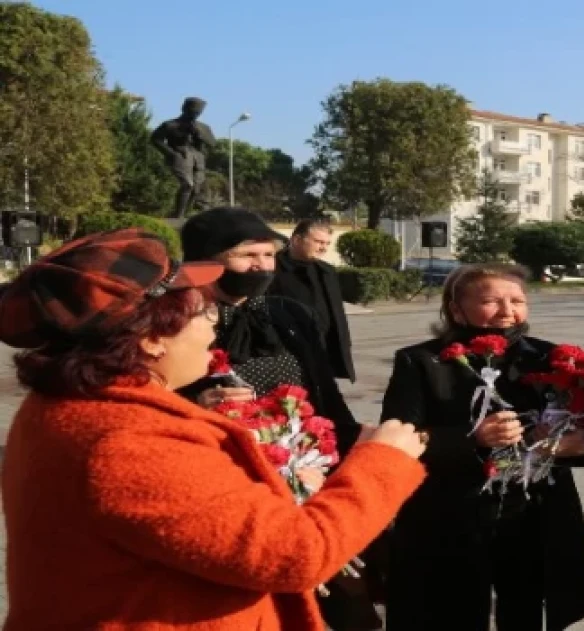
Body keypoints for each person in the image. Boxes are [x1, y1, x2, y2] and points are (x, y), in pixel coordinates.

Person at [0, 228, 427, 630]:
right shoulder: (129, 440)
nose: (213, 325)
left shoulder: (73, 405)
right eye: (202, 311)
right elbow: (294, 554)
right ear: (151, 338)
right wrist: (381, 464)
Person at [175, 207, 375, 629]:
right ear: (206, 260)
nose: (261, 266)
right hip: (229, 483)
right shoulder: (174, 321)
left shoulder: (287, 314)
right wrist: (197, 405)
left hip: (309, 471)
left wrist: (353, 447)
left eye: (268, 255)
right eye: (247, 255)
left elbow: (324, 392)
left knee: (342, 589)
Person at [379, 263, 584, 630]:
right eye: (490, 301)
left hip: (531, 513)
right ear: (456, 309)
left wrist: (577, 445)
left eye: (517, 301)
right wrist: (472, 438)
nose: (507, 311)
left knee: (525, 609)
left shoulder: (551, 358)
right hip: (450, 514)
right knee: (453, 612)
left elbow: (583, 430)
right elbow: (396, 439)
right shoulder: (421, 361)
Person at [269, 218, 355, 381]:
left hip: (324, 353)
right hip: (288, 355)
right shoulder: (272, 269)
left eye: (327, 243)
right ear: (297, 240)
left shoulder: (327, 272)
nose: (323, 248)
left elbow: (337, 314)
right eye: (318, 242)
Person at [151, 97, 216, 218]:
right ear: (184, 109)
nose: (195, 115)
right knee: (187, 184)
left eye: (198, 113)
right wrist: (171, 153)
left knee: (196, 188)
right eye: (193, 111)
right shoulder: (170, 124)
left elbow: (212, 143)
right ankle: (178, 215)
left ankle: (184, 215)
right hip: (181, 155)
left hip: (198, 157)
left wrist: (200, 135)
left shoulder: (203, 127)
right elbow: (155, 139)